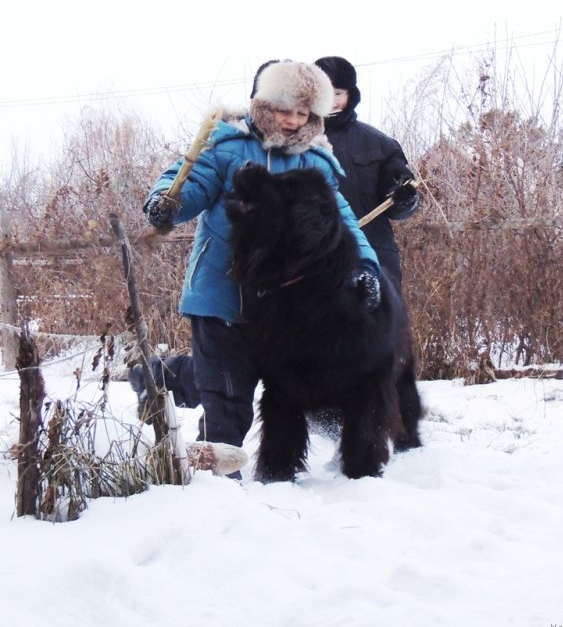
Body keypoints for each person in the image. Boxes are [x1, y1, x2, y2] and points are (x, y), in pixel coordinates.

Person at [129, 60, 381, 458]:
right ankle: (215, 476)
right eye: (284, 110)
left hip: (284, 306)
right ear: (263, 105)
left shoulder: (315, 162)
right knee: (229, 395)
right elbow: (186, 183)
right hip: (224, 292)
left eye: (302, 113)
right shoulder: (227, 148)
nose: (292, 121)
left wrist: (365, 267)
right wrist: (167, 202)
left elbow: (344, 221)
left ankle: (161, 375)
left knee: (235, 376)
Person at [314, 56, 419, 287]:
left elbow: (400, 196)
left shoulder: (378, 143)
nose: (331, 100)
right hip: (314, 261)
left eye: (338, 93)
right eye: (325, 92)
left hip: (374, 256)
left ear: (351, 95)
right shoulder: (298, 143)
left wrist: (404, 198)